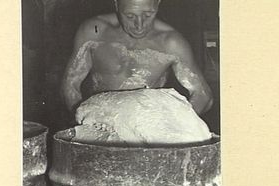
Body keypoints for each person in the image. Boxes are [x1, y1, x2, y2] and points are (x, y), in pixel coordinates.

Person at [61, 0, 213, 116]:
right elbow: (70, 85)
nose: (139, 25)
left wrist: (170, 126)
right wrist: (85, 120)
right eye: (130, 16)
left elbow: (203, 96)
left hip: (147, 127)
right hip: (98, 120)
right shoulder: (94, 31)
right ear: (116, 4)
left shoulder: (171, 43)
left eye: (148, 15)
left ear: (158, 3)